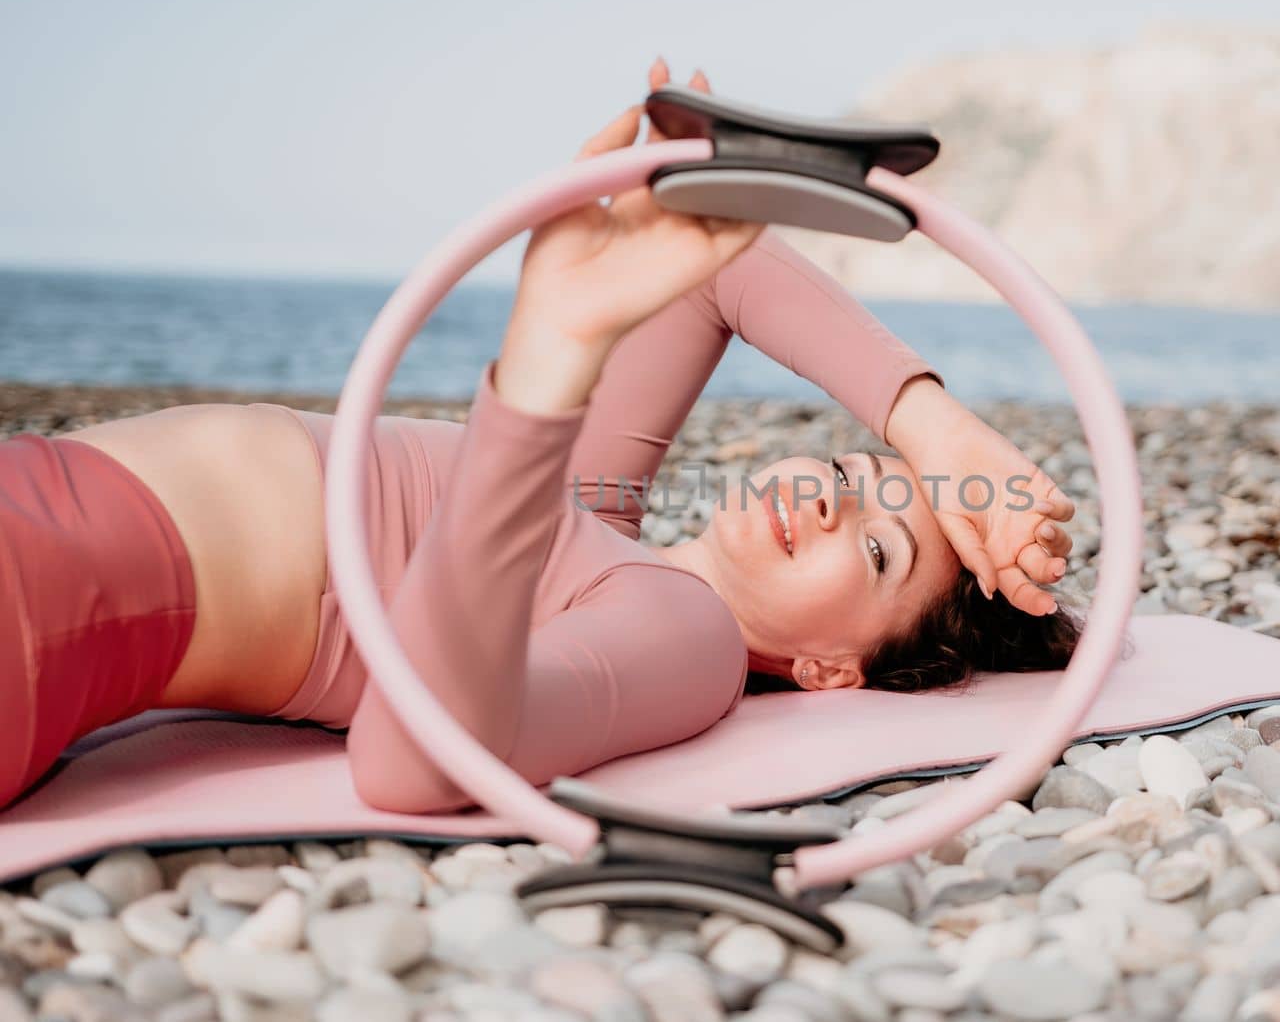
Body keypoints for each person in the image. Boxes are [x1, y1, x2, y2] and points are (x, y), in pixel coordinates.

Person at [0, 62, 1079, 816]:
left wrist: (546, 363)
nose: (836, 497)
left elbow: (413, 759)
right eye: (853, 469)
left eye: (879, 548)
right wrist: (929, 425)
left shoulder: (687, 633)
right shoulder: (593, 515)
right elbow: (719, 267)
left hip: (52, 598)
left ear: (832, 668)